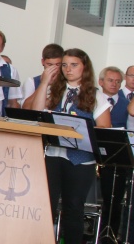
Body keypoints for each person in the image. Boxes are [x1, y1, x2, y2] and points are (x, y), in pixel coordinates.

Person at [29, 48, 111, 244]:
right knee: (45, 205)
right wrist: (44, 83)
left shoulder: (96, 96)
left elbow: (104, 128)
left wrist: (82, 131)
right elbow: (37, 110)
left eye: (74, 65)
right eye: (64, 65)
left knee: (73, 208)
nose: (68, 69)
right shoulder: (55, 90)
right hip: (54, 154)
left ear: (85, 67)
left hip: (81, 160)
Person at [96, 66, 127, 241]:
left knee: (113, 198)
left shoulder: (126, 102)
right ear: (101, 82)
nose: (114, 84)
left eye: (118, 81)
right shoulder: (92, 99)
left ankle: (110, 235)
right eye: (110, 80)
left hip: (115, 157)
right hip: (93, 154)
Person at [21, 43, 64, 109]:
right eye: (49, 65)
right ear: (43, 62)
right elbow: (25, 108)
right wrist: (43, 83)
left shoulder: (67, 82)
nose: (53, 69)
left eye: (58, 65)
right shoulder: (32, 82)